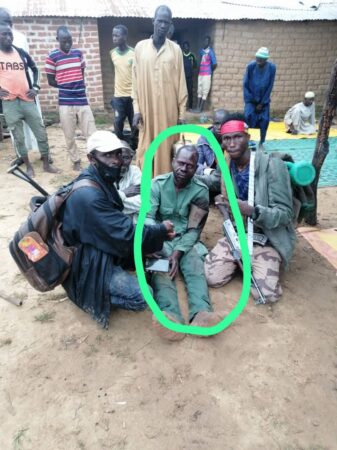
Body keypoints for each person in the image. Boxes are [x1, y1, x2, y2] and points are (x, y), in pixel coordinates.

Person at [61, 130, 175, 329]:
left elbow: (120, 221)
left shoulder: (102, 179)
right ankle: (91, 294)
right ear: (91, 158)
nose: (116, 160)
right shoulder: (90, 195)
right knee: (143, 296)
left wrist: (148, 244)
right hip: (86, 262)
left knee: (151, 254)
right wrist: (160, 231)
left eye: (117, 154)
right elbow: (125, 234)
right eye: (107, 155)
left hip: (97, 245)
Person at [204, 114, 296, 303]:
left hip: (267, 238)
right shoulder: (227, 164)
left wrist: (251, 210)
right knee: (211, 277)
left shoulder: (271, 165)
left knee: (265, 295)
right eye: (227, 138)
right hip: (238, 233)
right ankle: (242, 262)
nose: (231, 143)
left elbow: (286, 214)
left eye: (237, 136)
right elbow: (214, 180)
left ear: (248, 137)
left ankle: (253, 263)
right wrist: (186, 174)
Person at [146, 145, 223, 341]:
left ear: (196, 167)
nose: (183, 168)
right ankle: (170, 317)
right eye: (180, 163)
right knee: (161, 271)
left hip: (186, 239)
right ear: (173, 162)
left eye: (190, 165)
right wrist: (153, 241)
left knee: (195, 268)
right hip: (160, 238)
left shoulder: (200, 190)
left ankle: (202, 314)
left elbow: (195, 228)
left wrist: (178, 252)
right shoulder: (157, 184)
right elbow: (148, 218)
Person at [132, 5, 188, 178]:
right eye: (160, 21)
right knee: (146, 147)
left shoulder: (175, 50)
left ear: (170, 25)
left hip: (168, 112)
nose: (163, 25)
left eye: (167, 22)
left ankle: (165, 184)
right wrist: (136, 110)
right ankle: (146, 188)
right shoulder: (140, 48)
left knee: (166, 148)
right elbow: (134, 82)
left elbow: (181, 82)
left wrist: (182, 114)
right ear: (153, 21)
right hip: (147, 111)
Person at [0, 23, 57, 177]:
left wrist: (36, 88)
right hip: (10, 103)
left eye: (9, 34)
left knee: (41, 131)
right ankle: (28, 166)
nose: (8, 37)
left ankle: (46, 163)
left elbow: (35, 69)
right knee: (18, 137)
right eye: (4, 34)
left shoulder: (21, 53)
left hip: (27, 100)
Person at [45, 26, 96, 171]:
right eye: (64, 41)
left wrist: (78, 85)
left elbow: (81, 72)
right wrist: (66, 86)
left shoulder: (78, 54)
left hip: (82, 99)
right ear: (57, 40)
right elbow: (50, 81)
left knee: (91, 132)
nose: (68, 43)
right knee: (69, 134)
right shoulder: (52, 57)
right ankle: (76, 161)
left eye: (70, 40)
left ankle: (94, 159)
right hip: (65, 101)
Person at [0, 7, 42, 156]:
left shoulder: (20, 37)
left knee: (36, 124)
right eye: (2, 20)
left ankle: (41, 153)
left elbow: (31, 66)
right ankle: (21, 155)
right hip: (8, 95)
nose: (6, 24)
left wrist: (35, 87)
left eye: (8, 21)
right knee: (15, 128)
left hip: (27, 90)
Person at [243, 47, 276, 148]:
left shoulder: (272, 68)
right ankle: (245, 139)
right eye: (257, 58)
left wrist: (262, 103)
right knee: (247, 116)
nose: (259, 60)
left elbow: (270, 86)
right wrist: (252, 100)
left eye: (261, 59)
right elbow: (245, 84)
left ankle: (262, 141)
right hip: (251, 99)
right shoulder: (251, 67)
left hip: (264, 100)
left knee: (265, 120)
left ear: (266, 59)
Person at [110, 25, 135, 146]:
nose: (114, 38)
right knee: (118, 122)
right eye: (113, 35)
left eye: (117, 35)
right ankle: (119, 146)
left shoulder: (134, 53)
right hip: (118, 96)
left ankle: (135, 146)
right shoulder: (112, 54)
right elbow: (113, 72)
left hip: (132, 96)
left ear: (125, 37)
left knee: (134, 123)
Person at [116, 142, 141, 223]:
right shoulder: (103, 173)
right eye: (118, 157)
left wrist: (113, 202)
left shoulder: (135, 171)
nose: (122, 162)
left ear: (131, 158)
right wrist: (123, 193)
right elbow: (102, 202)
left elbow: (143, 202)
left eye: (126, 157)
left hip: (129, 223)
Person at [196, 35, 217, 113]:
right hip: (201, 73)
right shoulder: (201, 51)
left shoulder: (211, 52)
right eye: (204, 41)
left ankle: (200, 109)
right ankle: (197, 108)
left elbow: (214, 64)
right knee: (199, 89)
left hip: (207, 74)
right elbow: (200, 60)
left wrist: (209, 70)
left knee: (205, 90)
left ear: (209, 43)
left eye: (207, 41)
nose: (205, 42)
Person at [182, 41, 197, 110]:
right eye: (184, 47)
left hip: (190, 77)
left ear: (189, 47)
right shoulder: (181, 55)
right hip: (183, 77)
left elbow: (195, 65)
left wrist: (191, 71)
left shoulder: (192, 55)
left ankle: (190, 106)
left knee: (190, 92)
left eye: (187, 46)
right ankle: (182, 106)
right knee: (182, 92)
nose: (186, 48)